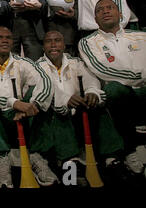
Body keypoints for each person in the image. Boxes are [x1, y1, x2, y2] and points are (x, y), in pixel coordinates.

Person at [0, 26, 57, 187]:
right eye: (0, 37)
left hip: (24, 116)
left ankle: (35, 156)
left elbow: (45, 82)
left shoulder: (23, 62)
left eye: (8, 38)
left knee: (39, 94)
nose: (5, 40)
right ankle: (1, 159)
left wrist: (32, 105)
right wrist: (14, 103)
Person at [36, 31, 124, 184]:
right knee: (58, 112)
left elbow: (91, 80)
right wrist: (65, 99)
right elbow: (45, 91)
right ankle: (70, 160)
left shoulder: (76, 62)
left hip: (79, 112)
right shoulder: (37, 67)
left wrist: (91, 92)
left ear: (64, 45)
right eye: (48, 41)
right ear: (43, 46)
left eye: (57, 40)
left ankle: (111, 157)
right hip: (56, 115)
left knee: (97, 106)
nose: (53, 44)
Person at [78, 0, 146, 178]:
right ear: (95, 18)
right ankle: (129, 148)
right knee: (112, 90)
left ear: (121, 14)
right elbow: (102, 69)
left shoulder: (141, 36)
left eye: (110, 8)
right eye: (100, 10)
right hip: (121, 94)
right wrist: (140, 77)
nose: (106, 11)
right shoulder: (88, 42)